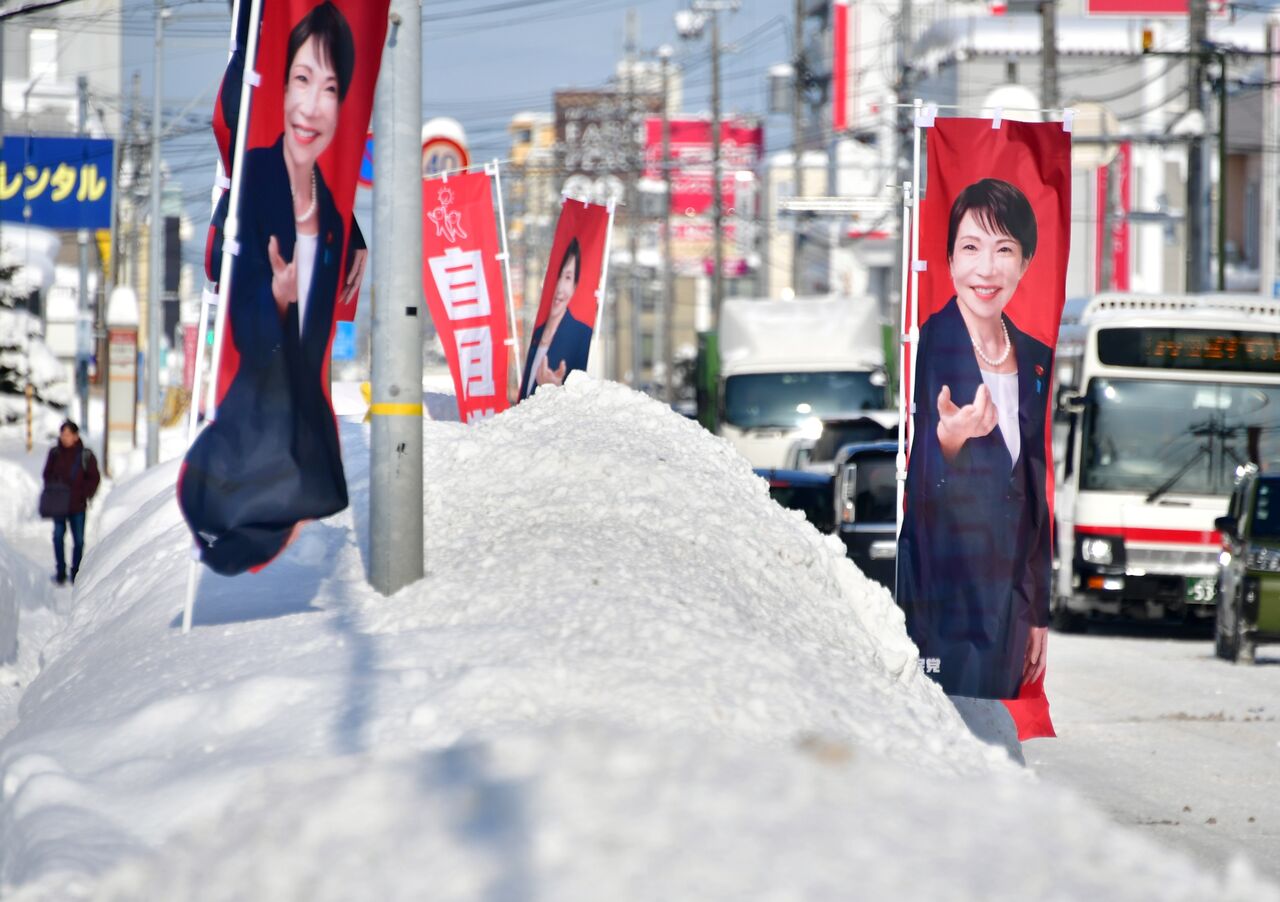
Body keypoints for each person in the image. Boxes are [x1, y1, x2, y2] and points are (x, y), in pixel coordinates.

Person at [180, 2, 358, 575]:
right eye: (302, 80)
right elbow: (242, 318)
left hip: (302, 444)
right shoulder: (254, 179)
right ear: (279, 89)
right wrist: (277, 295)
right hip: (248, 440)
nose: (312, 104)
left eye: (330, 88)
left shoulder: (333, 214)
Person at [897, 178, 1053, 700]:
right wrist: (949, 439)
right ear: (948, 259)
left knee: (995, 756)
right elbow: (921, 489)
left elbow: (1034, 488)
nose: (987, 269)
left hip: (1009, 606)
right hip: (946, 602)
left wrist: (1038, 611)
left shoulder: (1035, 357)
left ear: (1025, 262)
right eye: (971, 248)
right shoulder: (933, 343)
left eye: (1004, 249)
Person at [520, 238, 594, 399]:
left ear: (575, 285)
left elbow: (581, 406)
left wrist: (554, 390)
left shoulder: (581, 334)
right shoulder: (539, 332)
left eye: (567, 278)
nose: (559, 288)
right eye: (557, 276)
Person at [42, 420, 100, 585]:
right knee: (58, 537)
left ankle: (76, 573)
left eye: (68, 434)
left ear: (75, 436)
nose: (65, 437)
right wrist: (54, 488)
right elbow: (46, 474)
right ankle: (60, 571)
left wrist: (84, 494)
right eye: (63, 434)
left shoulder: (85, 455)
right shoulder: (54, 453)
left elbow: (94, 478)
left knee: (79, 541)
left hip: (77, 505)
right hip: (59, 504)